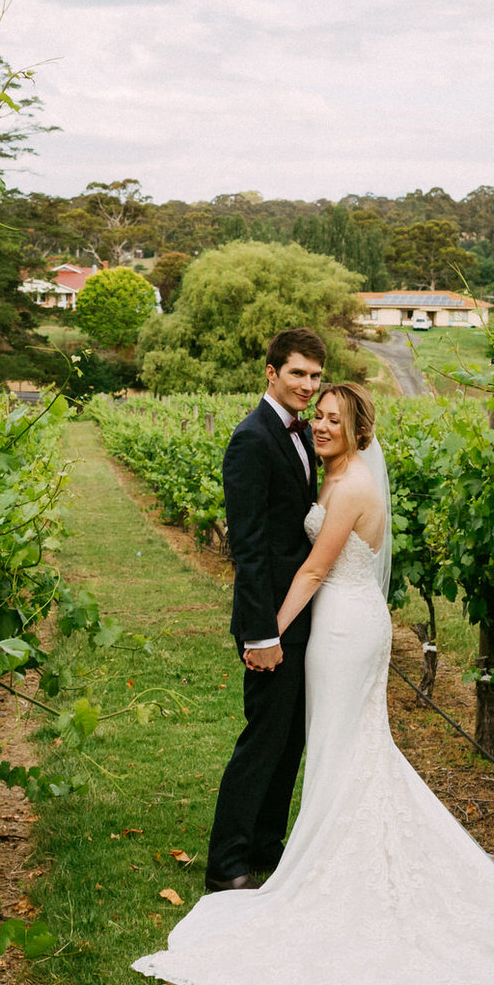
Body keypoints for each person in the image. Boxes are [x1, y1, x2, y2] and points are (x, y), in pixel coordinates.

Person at [137, 381, 494, 985]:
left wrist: (265, 634)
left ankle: (335, 863)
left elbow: (311, 571)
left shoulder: (353, 485)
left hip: (343, 626)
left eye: (334, 418)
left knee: (345, 743)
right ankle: (321, 845)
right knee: (340, 744)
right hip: (342, 620)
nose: (321, 424)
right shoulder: (333, 472)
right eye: (318, 416)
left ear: (359, 429)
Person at [200, 327, 326, 891]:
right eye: (297, 373)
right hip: (269, 621)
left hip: (300, 617)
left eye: (315, 376)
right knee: (263, 740)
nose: (308, 385)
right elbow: (247, 544)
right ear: (270, 373)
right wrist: (260, 635)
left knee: (291, 737)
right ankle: (227, 864)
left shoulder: (300, 434)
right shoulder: (252, 438)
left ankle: (266, 846)